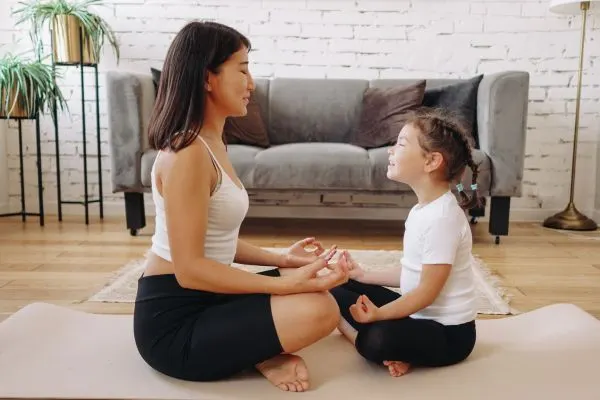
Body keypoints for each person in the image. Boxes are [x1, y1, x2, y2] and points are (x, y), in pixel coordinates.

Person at [133, 20, 350, 393]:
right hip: (174, 325)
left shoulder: (212, 143)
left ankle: (256, 347)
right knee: (320, 309)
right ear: (207, 78)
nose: (251, 83)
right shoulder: (188, 154)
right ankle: (260, 352)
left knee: (317, 287)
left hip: (211, 297)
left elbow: (213, 240)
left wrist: (284, 260)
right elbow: (189, 271)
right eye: (243, 69)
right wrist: (286, 287)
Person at [331, 107, 480, 377]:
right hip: (418, 317)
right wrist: (362, 274)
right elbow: (414, 271)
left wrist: (379, 315)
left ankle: (358, 336)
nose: (390, 151)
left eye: (400, 144)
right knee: (337, 284)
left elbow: (426, 293)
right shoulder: (422, 211)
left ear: (431, 161)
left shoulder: (442, 218)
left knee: (378, 340)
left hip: (448, 335)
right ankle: (402, 348)